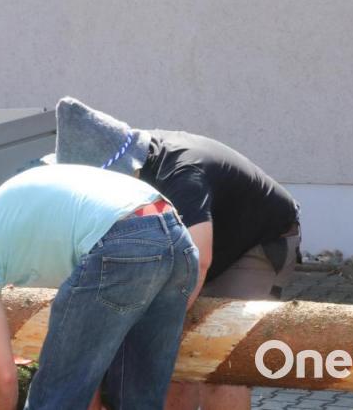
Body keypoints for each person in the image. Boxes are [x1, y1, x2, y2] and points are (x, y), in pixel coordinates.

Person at [53, 96, 301, 410]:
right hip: (204, 243)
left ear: (123, 168)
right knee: (173, 364)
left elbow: (198, 260)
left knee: (222, 360)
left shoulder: (181, 172)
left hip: (256, 244)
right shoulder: (132, 165)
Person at [0, 164, 198, 410]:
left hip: (123, 240)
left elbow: (5, 374)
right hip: (176, 235)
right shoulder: (12, 213)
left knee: (54, 396)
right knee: (136, 396)